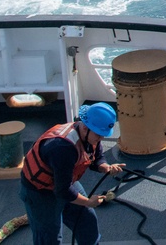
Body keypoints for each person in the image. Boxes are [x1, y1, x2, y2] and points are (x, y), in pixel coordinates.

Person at [20, 103, 124, 245]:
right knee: (49, 238)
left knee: (87, 222)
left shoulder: (89, 135)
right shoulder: (62, 148)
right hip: (40, 192)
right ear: (85, 127)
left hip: (65, 181)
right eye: (99, 135)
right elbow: (63, 191)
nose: (101, 139)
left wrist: (105, 167)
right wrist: (88, 202)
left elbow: (96, 156)